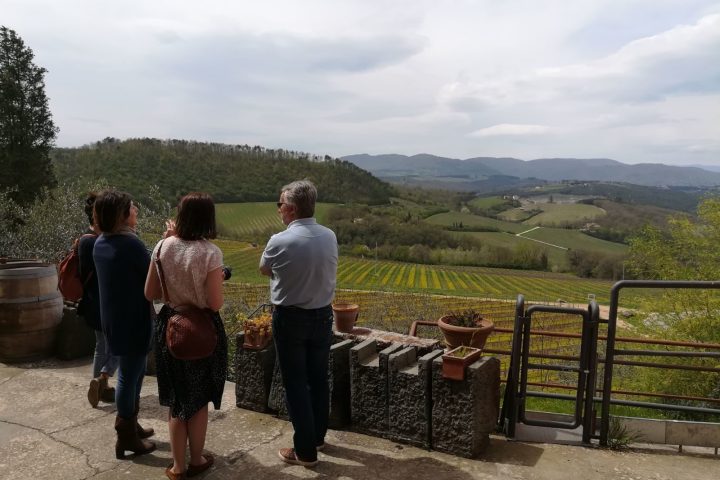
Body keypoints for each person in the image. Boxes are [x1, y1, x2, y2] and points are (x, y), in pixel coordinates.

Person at [145, 192, 228, 480]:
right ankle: (197, 459)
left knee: (176, 399)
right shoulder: (210, 253)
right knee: (198, 398)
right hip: (201, 329)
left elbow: (149, 293)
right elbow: (215, 303)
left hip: (170, 327)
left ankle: (177, 467)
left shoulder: (161, 246)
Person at [259, 180, 338, 468]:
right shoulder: (329, 236)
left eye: (280, 205)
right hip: (323, 316)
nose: (279, 210)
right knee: (319, 379)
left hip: (290, 317)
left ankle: (305, 451)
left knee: (295, 384)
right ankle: (317, 437)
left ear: (290, 209)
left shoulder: (279, 241)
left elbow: (265, 269)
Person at [92, 189, 156, 459]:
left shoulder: (101, 243)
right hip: (133, 319)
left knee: (134, 373)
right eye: (132, 208)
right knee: (130, 377)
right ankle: (126, 436)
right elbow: (153, 276)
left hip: (114, 318)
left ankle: (132, 424)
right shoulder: (130, 245)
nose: (136, 211)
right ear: (122, 214)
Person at [78, 192, 118, 407]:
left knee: (101, 345)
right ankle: (102, 379)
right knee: (120, 345)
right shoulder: (99, 243)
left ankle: (101, 386)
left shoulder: (84, 239)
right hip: (105, 303)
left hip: (91, 302)